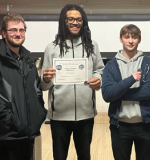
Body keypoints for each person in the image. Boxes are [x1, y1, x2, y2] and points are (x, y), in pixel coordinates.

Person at [0, 14, 47, 160]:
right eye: (13, 30)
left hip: (28, 132)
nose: (18, 34)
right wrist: (10, 121)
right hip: (8, 135)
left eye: (21, 30)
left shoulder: (28, 61)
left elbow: (37, 91)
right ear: (4, 33)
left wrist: (39, 113)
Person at [40, 4, 104, 160]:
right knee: (59, 157)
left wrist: (98, 80)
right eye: (71, 19)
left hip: (86, 114)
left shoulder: (92, 46)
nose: (75, 22)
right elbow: (43, 84)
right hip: (59, 116)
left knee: (84, 156)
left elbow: (99, 70)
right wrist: (45, 78)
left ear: (83, 22)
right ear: (63, 21)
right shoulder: (52, 48)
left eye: (79, 19)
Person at [101, 24, 150, 160]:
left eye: (134, 37)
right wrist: (130, 80)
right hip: (119, 126)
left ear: (139, 39)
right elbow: (107, 95)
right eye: (127, 37)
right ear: (121, 39)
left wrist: (118, 93)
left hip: (146, 126)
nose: (131, 41)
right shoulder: (111, 65)